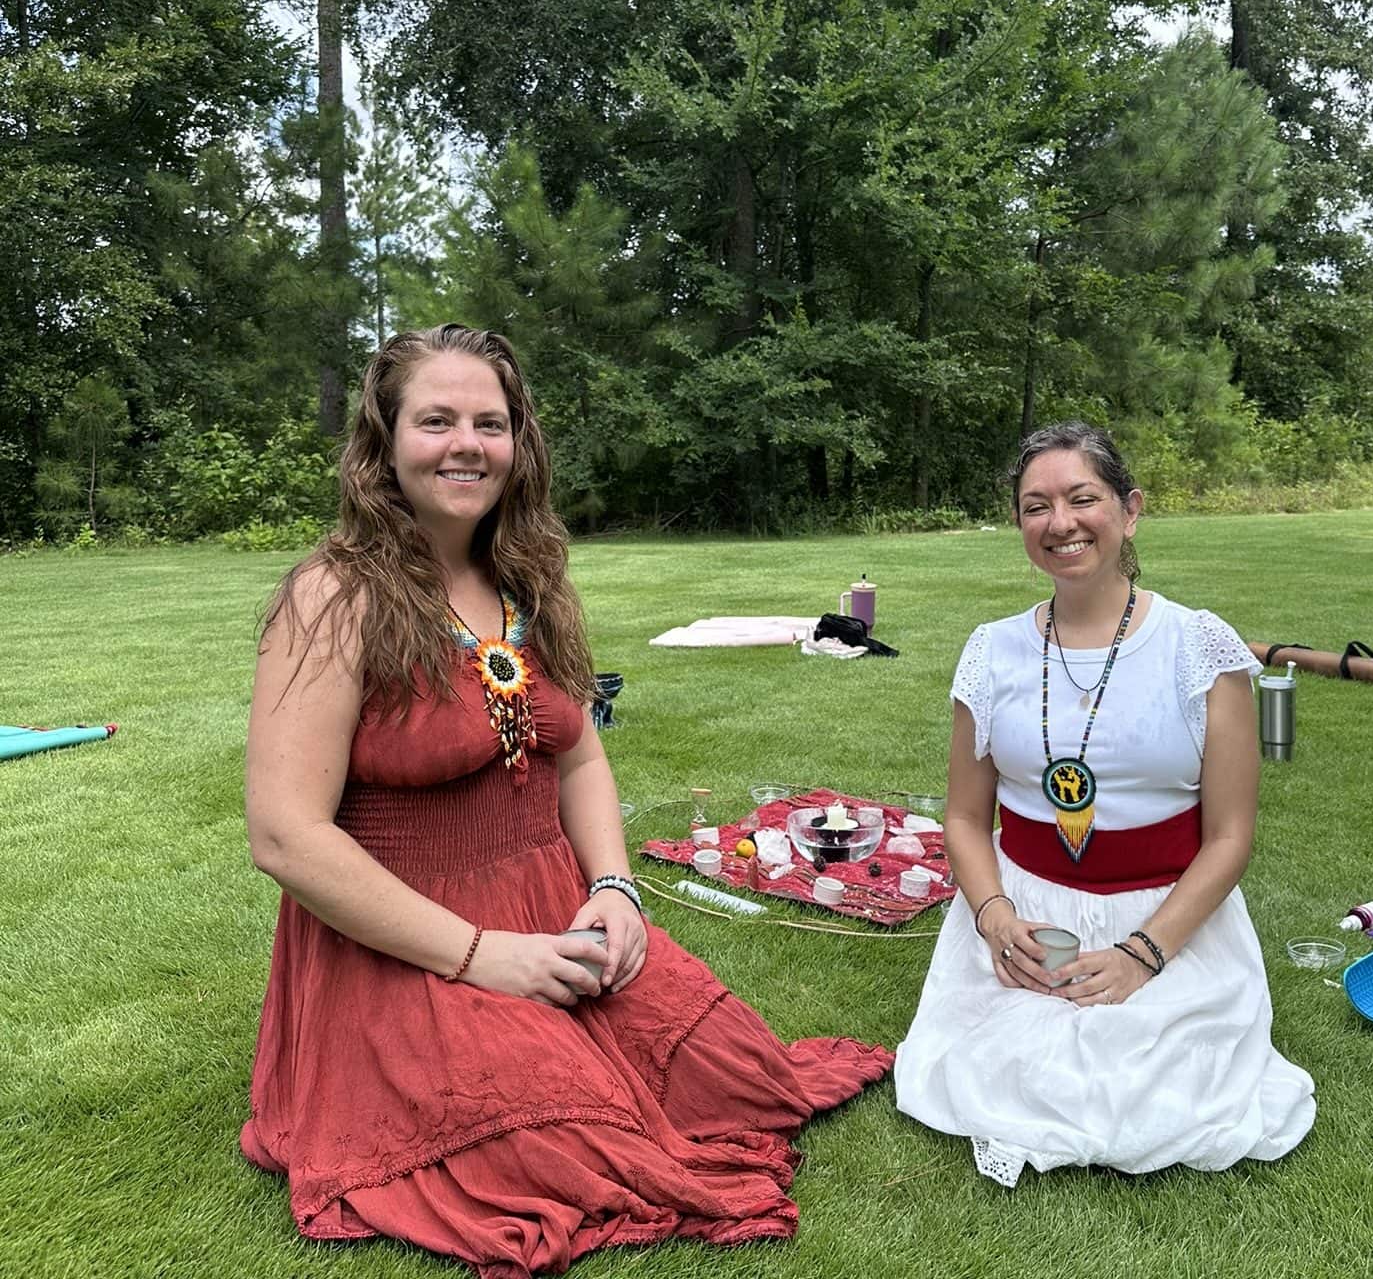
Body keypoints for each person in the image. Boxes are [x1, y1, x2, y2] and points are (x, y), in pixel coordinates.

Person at [240, 323, 891, 1276]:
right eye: (436, 420)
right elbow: (286, 837)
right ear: (383, 441)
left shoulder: (525, 579)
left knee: (741, 1075)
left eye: (490, 423)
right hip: (404, 941)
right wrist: (481, 957)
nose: (467, 444)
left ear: (519, 443)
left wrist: (618, 891)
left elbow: (577, 755)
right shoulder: (334, 597)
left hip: (553, 906)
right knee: (563, 1154)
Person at [894, 422, 1314, 1184]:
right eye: (1035, 506)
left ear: (1129, 510)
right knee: (1004, 1077)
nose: (1061, 523)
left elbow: (1229, 837)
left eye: (1082, 498)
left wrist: (1142, 955)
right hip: (1023, 918)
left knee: (1157, 1096)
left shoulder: (1199, 648)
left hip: (1169, 918)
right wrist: (994, 920)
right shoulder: (991, 650)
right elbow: (963, 818)